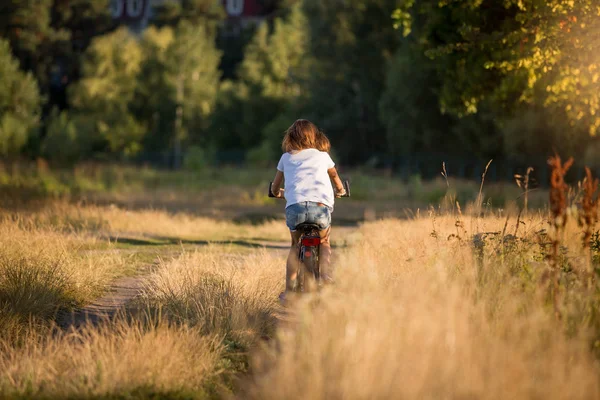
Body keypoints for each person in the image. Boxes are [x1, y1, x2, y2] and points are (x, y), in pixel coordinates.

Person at [270, 119, 346, 301]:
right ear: (314, 137)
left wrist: (277, 193)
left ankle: (289, 291)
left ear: (290, 137)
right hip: (320, 209)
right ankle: (326, 276)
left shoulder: (285, 157)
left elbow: (275, 186)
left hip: (295, 209)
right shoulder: (323, 156)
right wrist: (341, 190)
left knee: (295, 246)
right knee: (325, 241)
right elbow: (335, 177)